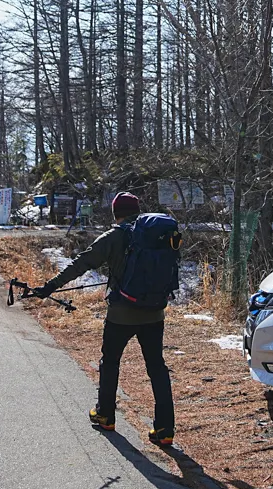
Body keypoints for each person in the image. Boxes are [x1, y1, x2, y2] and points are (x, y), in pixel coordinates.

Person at [34, 191, 177, 447]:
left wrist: (50, 286)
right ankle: (165, 429)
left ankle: (105, 415)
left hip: (121, 313)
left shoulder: (113, 236)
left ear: (115, 212)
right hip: (155, 311)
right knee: (156, 366)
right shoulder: (158, 234)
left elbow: (81, 264)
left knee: (110, 361)